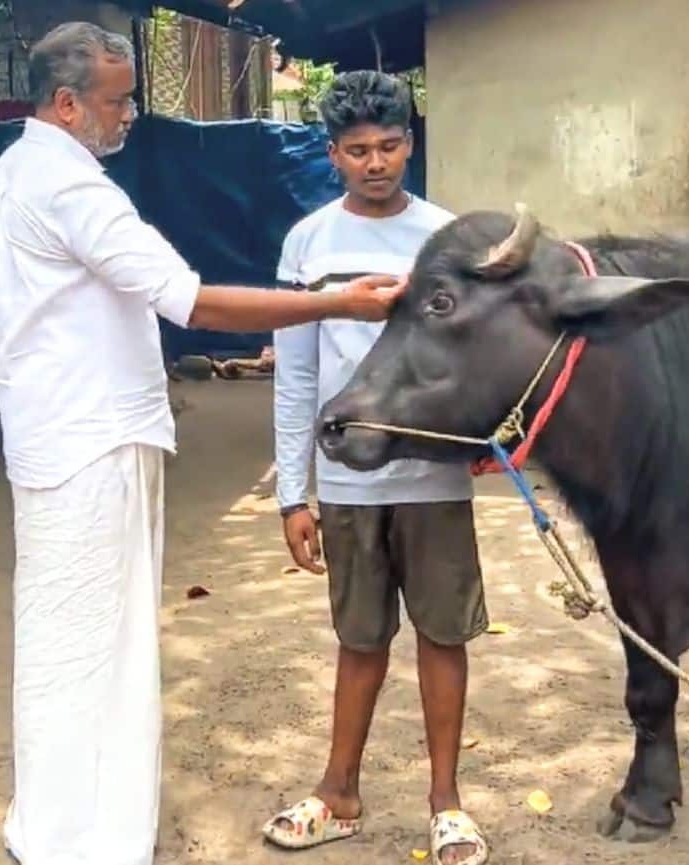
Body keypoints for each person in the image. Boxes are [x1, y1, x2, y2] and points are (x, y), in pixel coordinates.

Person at [0, 22, 402, 865]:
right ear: (67, 104)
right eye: (118, 97)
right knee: (94, 641)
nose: (132, 112)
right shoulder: (70, 188)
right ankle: (86, 841)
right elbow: (191, 302)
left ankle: (65, 824)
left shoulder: (23, 167)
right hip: (90, 441)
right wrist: (335, 306)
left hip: (67, 433)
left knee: (70, 635)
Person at [265, 71, 490, 865]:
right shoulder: (309, 242)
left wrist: (479, 437)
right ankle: (340, 792)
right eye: (357, 149)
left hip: (432, 476)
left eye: (389, 144)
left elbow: (475, 360)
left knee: (442, 633)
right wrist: (295, 492)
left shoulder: (451, 240)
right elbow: (295, 377)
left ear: (410, 142)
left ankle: (446, 804)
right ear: (332, 154)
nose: (375, 162)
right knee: (359, 638)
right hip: (348, 479)